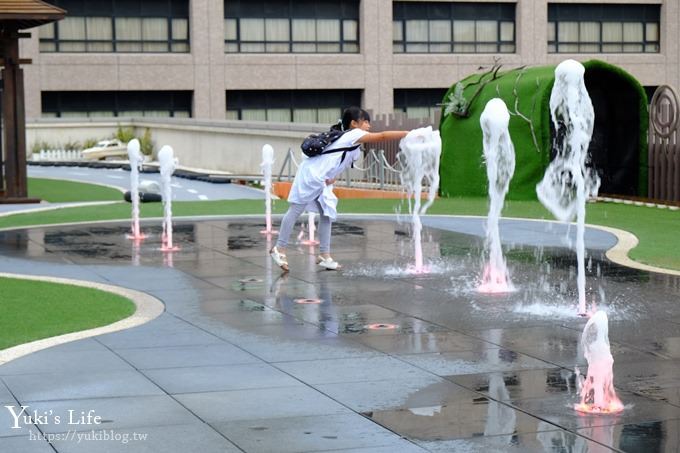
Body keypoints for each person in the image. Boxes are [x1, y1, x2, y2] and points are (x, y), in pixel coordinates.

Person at [270, 106, 409, 272]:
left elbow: (337, 159)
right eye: (365, 122)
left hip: (321, 178)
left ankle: (324, 255)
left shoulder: (351, 139)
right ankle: (279, 248)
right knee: (296, 210)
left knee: (326, 213)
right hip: (312, 175)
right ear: (354, 123)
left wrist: (332, 177)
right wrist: (409, 134)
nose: (368, 126)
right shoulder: (354, 134)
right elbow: (383, 136)